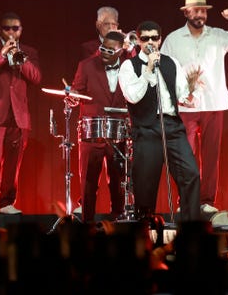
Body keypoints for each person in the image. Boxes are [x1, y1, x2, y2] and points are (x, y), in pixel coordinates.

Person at [160, 0, 228, 214]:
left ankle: (207, 201)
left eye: (203, 11)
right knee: (185, 157)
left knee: (211, 157)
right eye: (196, 11)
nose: (200, 14)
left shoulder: (217, 35)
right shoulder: (174, 39)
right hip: (186, 106)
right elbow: (164, 70)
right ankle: (187, 200)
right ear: (186, 13)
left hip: (214, 103)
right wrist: (180, 92)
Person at [118, 21, 202, 222]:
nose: (150, 42)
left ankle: (191, 228)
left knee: (190, 174)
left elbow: (181, 94)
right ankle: (146, 233)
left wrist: (191, 95)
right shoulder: (129, 66)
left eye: (154, 38)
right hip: (147, 128)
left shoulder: (171, 62)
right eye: (145, 38)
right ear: (138, 40)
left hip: (172, 126)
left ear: (160, 39)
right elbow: (133, 96)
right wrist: (147, 70)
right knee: (146, 184)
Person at [0, 12, 42, 215]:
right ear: (0, 30)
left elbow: (36, 78)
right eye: (7, 28)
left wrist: (20, 60)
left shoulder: (29, 51)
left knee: (14, 162)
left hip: (19, 114)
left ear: (21, 30)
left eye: (16, 28)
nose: (12, 32)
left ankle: (6, 203)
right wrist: (3, 54)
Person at [69, 31, 130, 223]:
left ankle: (118, 221)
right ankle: (87, 224)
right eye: (102, 47)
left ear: (121, 50)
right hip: (92, 132)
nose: (104, 52)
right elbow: (76, 91)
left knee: (119, 183)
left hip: (118, 133)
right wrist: (72, 97)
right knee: (88, 183)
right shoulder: (86, 66)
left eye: (110, 50)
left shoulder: (129, 67)